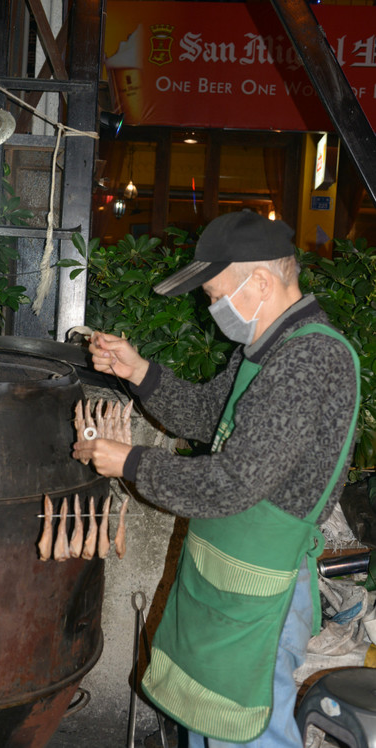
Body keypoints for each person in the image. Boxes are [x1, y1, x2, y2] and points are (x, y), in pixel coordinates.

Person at [72, 210, 360, 748]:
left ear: (259, 282)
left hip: (264, 586)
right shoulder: (269, 344)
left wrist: (130, 463)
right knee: (211, 723)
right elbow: (210, 414)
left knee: (244, 730)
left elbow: (231, 483)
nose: (212, 307)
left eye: (214, 293)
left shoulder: (310, 358)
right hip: (230, 572)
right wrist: (138, 371)